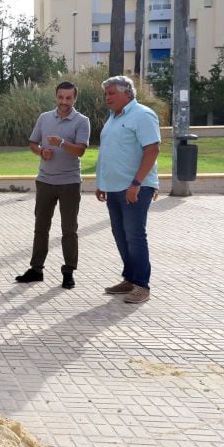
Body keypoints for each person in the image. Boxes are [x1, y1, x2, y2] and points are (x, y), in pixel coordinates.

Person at [15, 82, 91, 289]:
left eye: (69, 98)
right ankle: (36, 270)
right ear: (55, 97)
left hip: (70, 183)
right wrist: (41, 152)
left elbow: (80, 151)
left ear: (75, 99)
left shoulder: (82, 121)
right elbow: (33, 143)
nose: (64, 102)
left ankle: (68, 272)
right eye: (61, 97)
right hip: (45, 181)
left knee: (69, 230)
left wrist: (60, 144)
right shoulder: (44, 118)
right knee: (41, 228)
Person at [95, 75, 160, 304]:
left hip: (135, 188)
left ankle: (142, 286)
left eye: (112, 93)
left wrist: (137, 183)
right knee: (121, 235)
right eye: (106, 94)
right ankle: (130, 279)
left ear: (127, 93)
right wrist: (101, 183)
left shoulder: (142, 115)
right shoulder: (113, 118)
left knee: (134, 235)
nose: (107, 98)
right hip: (113, 188)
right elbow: (108, 152)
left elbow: (152, 149)